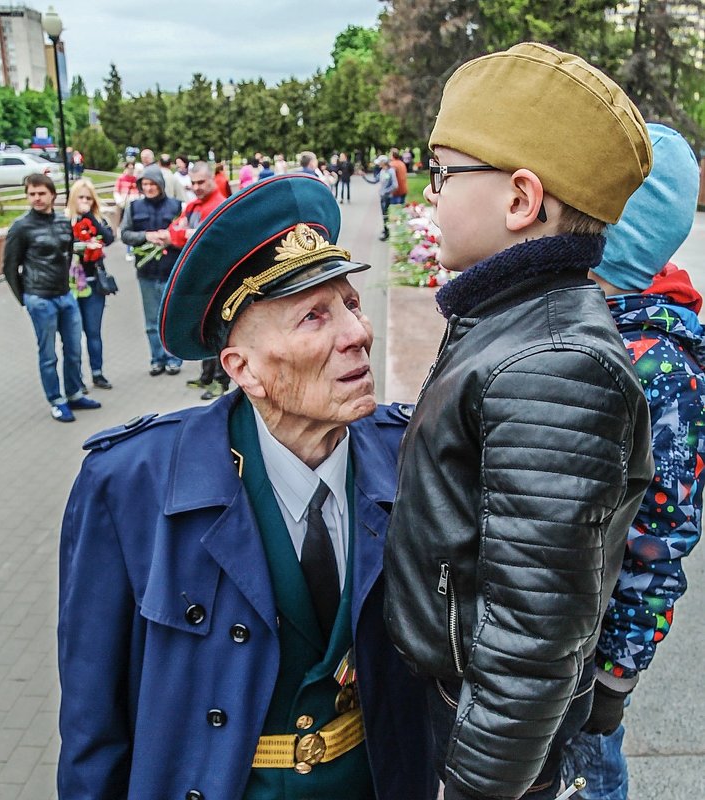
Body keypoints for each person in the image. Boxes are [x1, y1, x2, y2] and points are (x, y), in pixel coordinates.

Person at [57, 173, 436, 800]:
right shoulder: (130, 486)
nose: (357, 334)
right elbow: (93, 727)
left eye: (352, 304)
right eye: (314, 315)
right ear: (244, 369)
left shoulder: (407, 454)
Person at [383, 42, 654, 800]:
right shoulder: (512, 321)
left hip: (484, 733)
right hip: (467, 703)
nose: (429, 196)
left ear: (520, 200)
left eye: (443, 174)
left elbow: (532, 639)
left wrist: (472, 788)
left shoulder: (553, 363)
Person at [560, 123, 705, 800]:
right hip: (542, 647)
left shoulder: (657, 367)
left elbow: (660, 539)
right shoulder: (575, 322)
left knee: (590, 775)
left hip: (590, 664)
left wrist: (617, 676)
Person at [2, 174, 101, 422]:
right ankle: (56, 400)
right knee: (48, 354)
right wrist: (25, 299)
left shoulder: (62, 221)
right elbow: (10, 267)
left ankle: (74, 393)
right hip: (40, 298)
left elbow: (67, 254)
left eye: (41, 193)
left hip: (66, 296)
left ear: (52, 195)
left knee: (74, 349)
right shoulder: (21, 227)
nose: (36, 198)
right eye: (32, 193)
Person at [168, 161, 229, 400]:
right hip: (198, 280)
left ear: (213, 179)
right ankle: (206, 376)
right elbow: (176, 231)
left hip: (216, 282)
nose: (196, 187)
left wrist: (182, 235)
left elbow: (205, 241)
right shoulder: (194, 205)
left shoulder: (219, 206)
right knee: (202, 330)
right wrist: (183, 235)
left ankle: (221, 381)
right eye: (193, 183)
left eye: (201, 182)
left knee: (218, 332)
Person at [120, 164, 183, 376]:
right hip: (146, 272)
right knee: (151, 321)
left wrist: (169, 239)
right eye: (145, 184)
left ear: (161, 185)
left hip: (170, 271)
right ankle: (157, 358)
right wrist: (145, 236)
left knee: (171, 318)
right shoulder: (135, 208)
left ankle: (174, 358)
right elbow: (125, 234)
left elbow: (184, 235)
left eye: (152, 184)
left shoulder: (176, 207)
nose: (148, 188)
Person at [66, 179, 116, 391]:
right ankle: (76, 380)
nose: (84, 201)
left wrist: (89, 218)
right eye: (81, 197)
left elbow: (109, 238)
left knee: (93, 332)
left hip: (94, 284)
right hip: (71, 287)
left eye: (88, 198)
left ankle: (98, 373)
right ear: (73, 199)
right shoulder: (65, 221)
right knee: (73, 336)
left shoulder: (97, 220)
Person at [358, 155, 397, 241]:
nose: (378, 164)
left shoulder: (391, 171)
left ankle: (387, 233)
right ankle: (386, 230)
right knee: (384, 214)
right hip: (382, 197)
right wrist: (364, 176)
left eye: (380, 162)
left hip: (387, 197)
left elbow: (395, 185)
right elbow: (375, 180)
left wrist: (385, 191)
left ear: (384, 163)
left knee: (386, 214)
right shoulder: (382, 171)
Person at [113, 161, 139, 227]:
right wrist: (119, 200)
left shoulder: (136, 179)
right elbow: (116, 191)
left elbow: (139, 192)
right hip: (123, 201)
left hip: (134, 202)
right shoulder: (121, 178)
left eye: (132, 168)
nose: (131, 170)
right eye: (129, 168)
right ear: (126, 168)